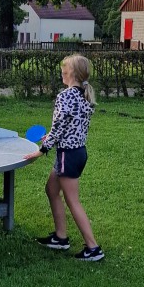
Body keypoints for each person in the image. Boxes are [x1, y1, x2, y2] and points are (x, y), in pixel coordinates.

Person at [24, 54, 104, 262]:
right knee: (51, 189)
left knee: (73, 201)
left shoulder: (65, 96)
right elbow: (68, 126)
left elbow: (59, 127)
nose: (62, 71)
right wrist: (50, 136)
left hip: (67, 154)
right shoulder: (83, 96)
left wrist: (42, 150)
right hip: (77, 152)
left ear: (73, 73)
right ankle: (60, 238)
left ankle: (93, 248)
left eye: (64, 68)